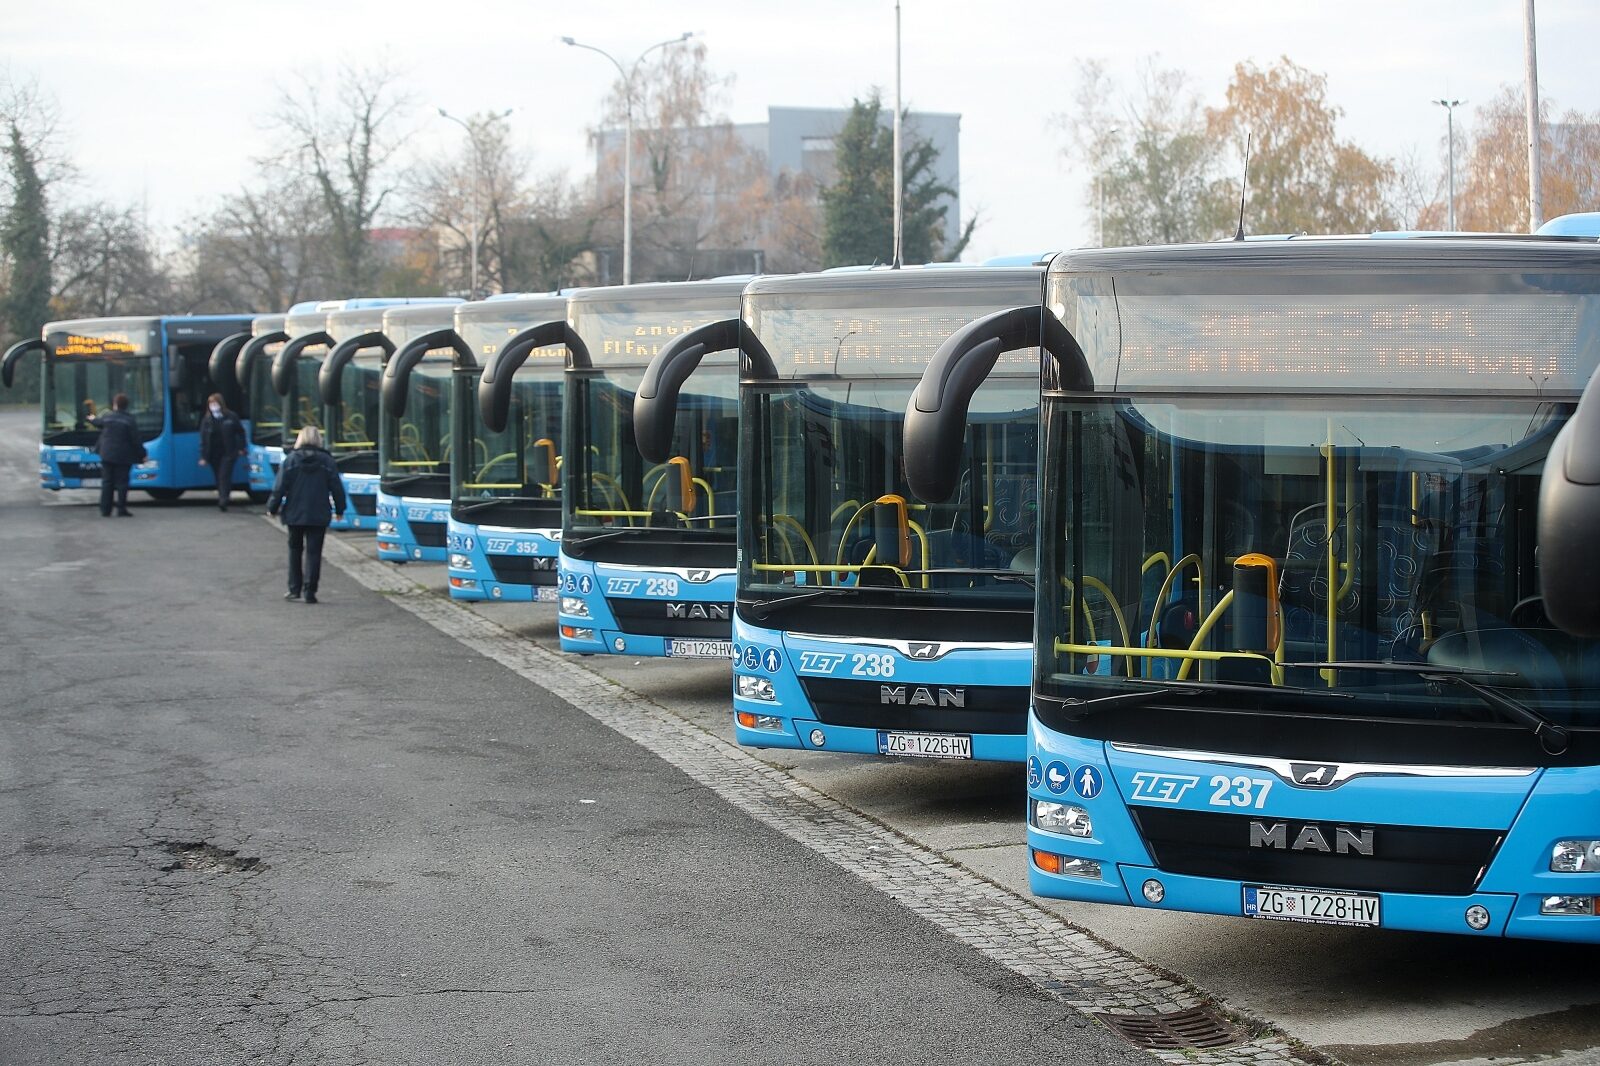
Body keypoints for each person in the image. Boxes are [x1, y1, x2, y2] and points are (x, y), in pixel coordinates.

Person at [267, 425, 346, 604]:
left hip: (295, 512)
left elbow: (279, 487)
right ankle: (310, 590)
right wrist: (340, 509)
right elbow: (336, 487)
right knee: (314, 552)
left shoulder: (290, 460)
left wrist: (272, 507)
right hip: (318, 512)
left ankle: (294, 589)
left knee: (295, 550)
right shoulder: (327, 461)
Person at [92, 393, 143, 518]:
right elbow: (135, 440)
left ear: (115, 405)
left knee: (107, 482)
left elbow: (98, 422)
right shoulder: (129, 420)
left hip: (107, 454)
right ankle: (121, 508)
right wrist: (143, 454)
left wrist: (92, 418)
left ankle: (105, 509)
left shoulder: (108, 417)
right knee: (122, 483)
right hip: (123, 456)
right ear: (126, 406)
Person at [198, 392, 247, 511]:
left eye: (215, 403)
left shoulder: (231, 417)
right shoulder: (207, 420)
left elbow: (240, 432)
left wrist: (241, 448)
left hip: (228, 452)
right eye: (211, 404)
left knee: (224, 475)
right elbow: (203, 439)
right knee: (218, 476)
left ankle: (223, 500)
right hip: (213, 453)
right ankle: (222, 495)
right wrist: (204, 457)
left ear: (220, 404)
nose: (213, 406)